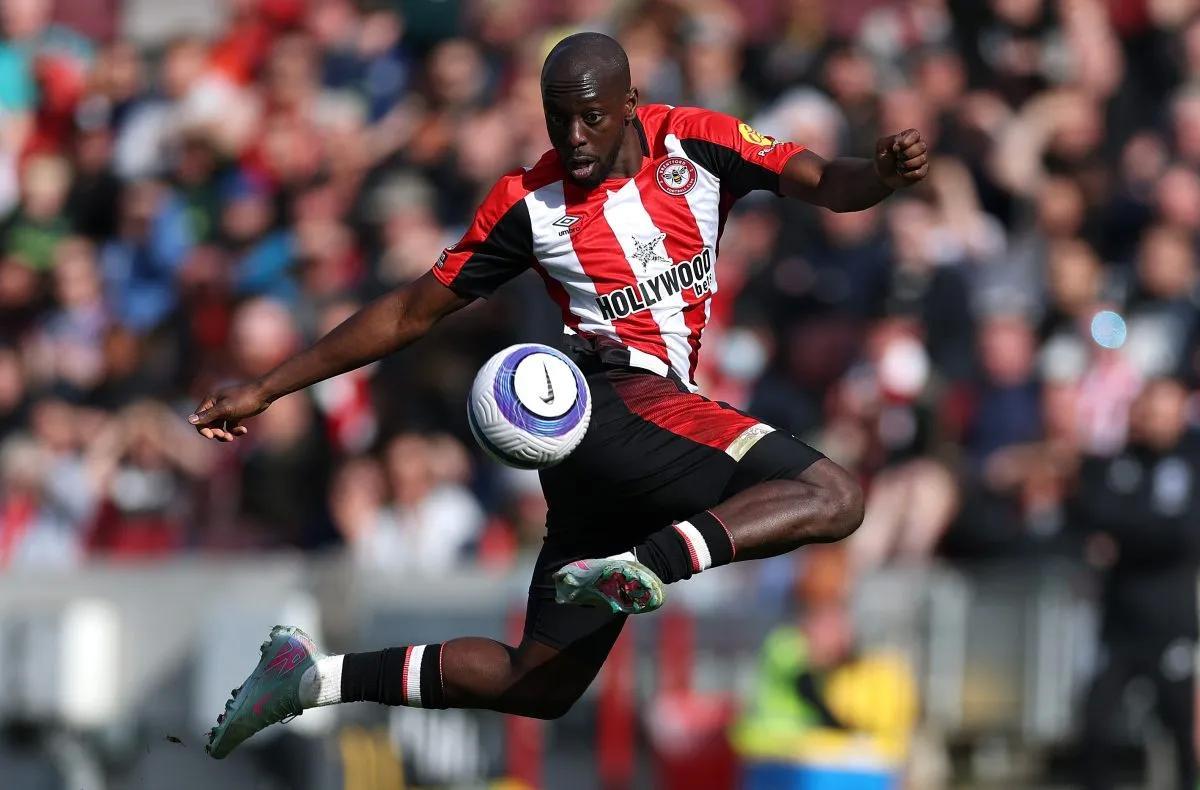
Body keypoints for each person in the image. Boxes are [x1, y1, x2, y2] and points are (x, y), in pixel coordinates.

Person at [189, 32, 928, 758]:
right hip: (614, 403)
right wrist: (267, 385)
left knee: (538, 683)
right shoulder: (528, 203)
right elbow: (410, 312)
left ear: (630, 103)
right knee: (835, 496)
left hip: (601, 454)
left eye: (591, 117)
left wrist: (882, 174)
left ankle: (311, 679)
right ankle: (652, 562)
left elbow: (828, 183)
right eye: (557, 119)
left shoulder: (699, 142)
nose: (573, 137)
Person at [1073, 376, 1200, 790]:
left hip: (1171, 620)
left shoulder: (1190, 463)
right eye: (1149, 409)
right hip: (1119, 622)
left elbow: (1183, 534)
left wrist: (1124, 539)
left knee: (1181, 727)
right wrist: (1143, 530)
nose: (1154, 419)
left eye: (1165, 411)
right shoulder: (1118, 463)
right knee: (1095, 722)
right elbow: (1095, 515)